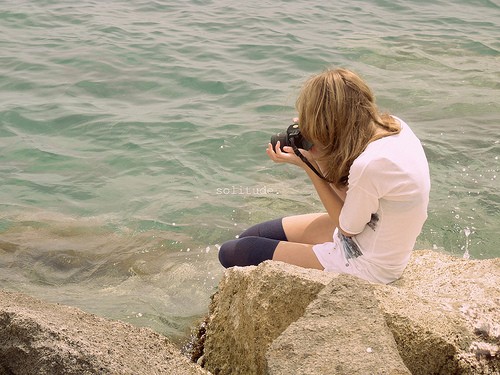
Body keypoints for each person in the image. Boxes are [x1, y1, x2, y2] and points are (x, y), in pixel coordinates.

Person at [218, 68, 430, 284]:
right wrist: (319, 144)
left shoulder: (370, 165)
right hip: (369, 231)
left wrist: (311, 164)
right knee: (255, 234)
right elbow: (358, 198)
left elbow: (348, 229)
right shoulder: (395, 125)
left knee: (233, 252)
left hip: (366, 263)